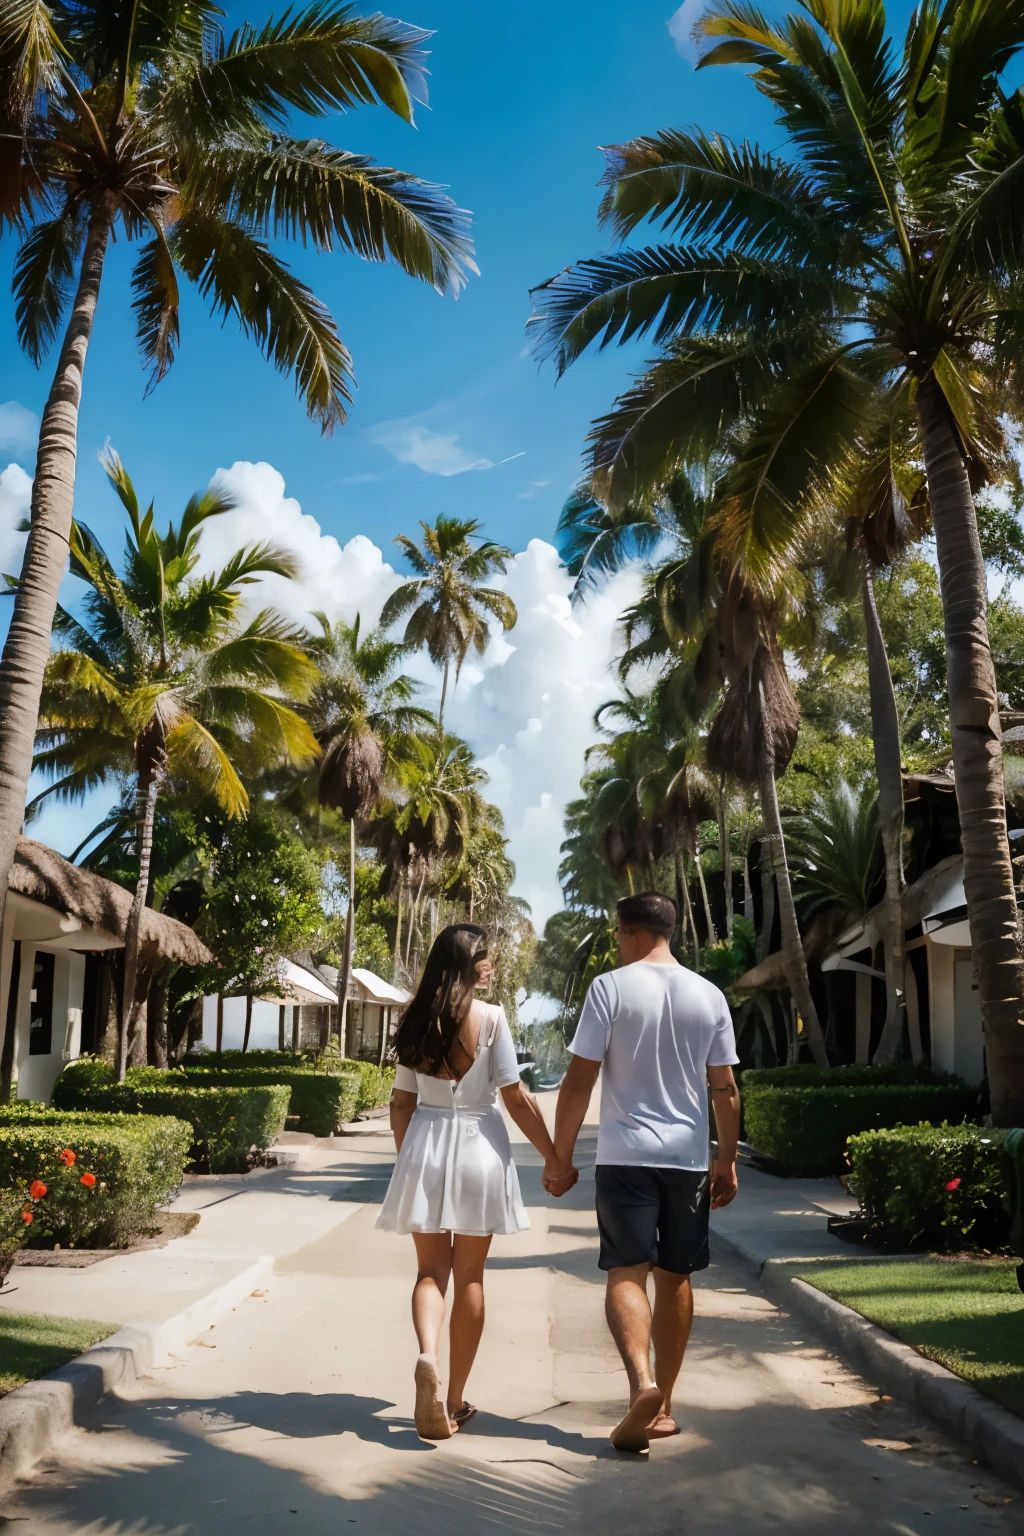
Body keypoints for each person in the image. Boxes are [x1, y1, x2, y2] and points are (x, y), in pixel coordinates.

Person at [544, 890, 741, 1453]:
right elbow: (723, 1087)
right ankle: (665, 1409)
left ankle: (642, 1385)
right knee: (675, 1276)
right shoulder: (709, 995)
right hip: (685, 1159)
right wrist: (724, 1159)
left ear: (631, 932)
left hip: (625, 1155)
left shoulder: (610, 988)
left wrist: (560, 1159)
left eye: (617, 934)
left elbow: (579, 1079)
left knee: (625, 1271)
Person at [377, 922, 569, 1440]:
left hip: (427, 1142)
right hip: (480, 1148)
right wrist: (554, 1157)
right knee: (471, 1278)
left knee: (429, 1273)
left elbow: (401, 1103)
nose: (494, 967)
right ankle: (454, 1398)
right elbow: (516, 1097)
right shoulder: (491, 1020)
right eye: (489, 959)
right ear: (472, 963)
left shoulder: (416, 1019)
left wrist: (409, 1162)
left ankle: (426, 1355)